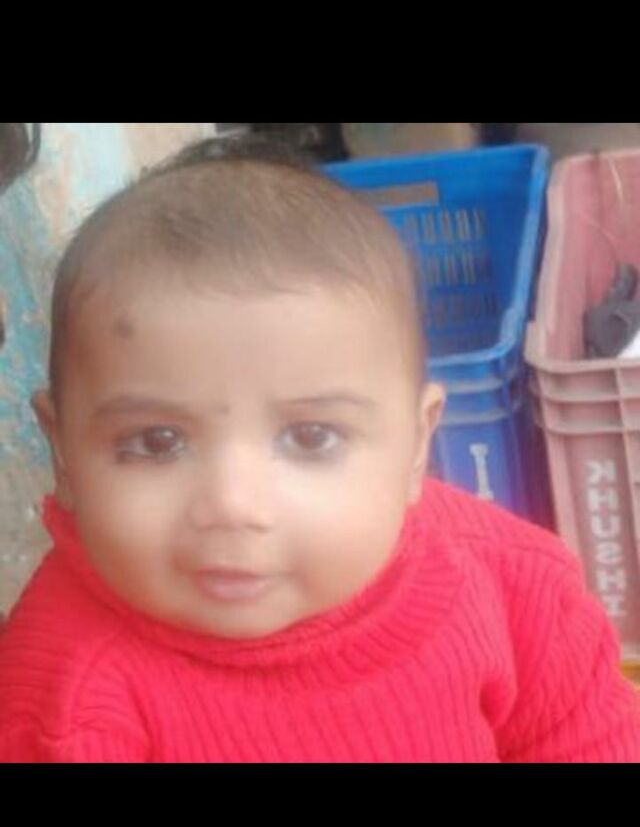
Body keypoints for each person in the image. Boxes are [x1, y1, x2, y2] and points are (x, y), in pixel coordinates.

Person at [0, 138, 638, 762]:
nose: (234, 505)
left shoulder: (517, 587)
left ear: (417, 444)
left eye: (311, 437)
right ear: (64, 454)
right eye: (156, 441)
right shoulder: (62, 704)